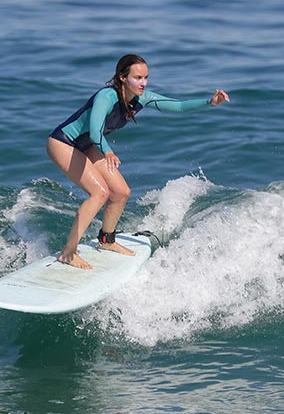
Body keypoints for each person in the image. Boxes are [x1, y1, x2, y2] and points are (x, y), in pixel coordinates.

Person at [47, 54, 230, 269]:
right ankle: (68, 253)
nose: (143, 83)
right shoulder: (106, 97)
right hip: (64, 143)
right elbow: (95, 130)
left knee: (121, 192)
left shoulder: (142, 99)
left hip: (88, 145)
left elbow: (178, 106)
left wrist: (210, 102)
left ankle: (106, 241)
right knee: (99, 193)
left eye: (145, 78)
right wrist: (107, 151)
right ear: (123, 78)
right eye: (138, 77)